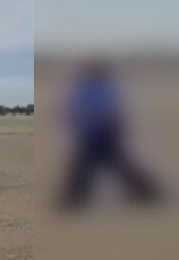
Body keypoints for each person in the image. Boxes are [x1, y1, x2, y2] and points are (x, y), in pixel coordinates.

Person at [59, 59, 160, 209]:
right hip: (98, 134)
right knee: (97, 167)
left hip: (100, 134)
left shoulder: (95, 89)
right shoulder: (94, 89)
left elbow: (109, 111)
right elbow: (77, 112)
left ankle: (73, 199)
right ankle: (147, 192)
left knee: (88, 168)